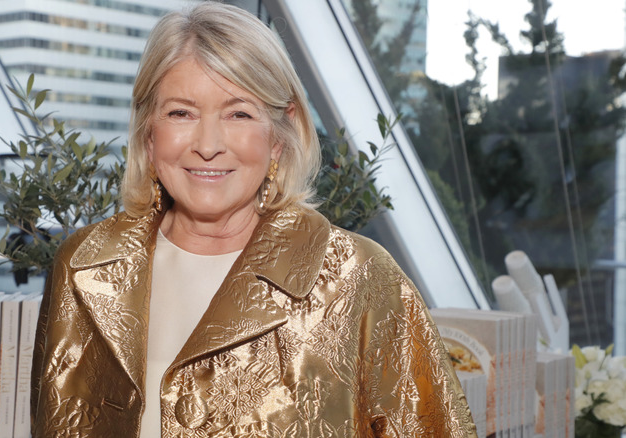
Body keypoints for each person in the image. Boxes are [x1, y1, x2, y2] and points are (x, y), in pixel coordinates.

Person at [31, 2, 476, 437]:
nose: (207, 144)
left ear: (279, 138)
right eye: (181, 113)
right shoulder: (83, 266)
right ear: (149, 132)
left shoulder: (359, 278)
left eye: (238, 114)